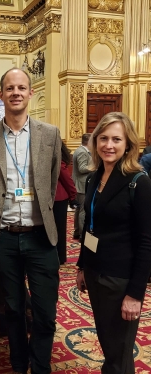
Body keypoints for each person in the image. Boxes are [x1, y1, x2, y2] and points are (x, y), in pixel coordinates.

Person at [0, 68, 61, 374]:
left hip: (40, 236)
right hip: (5, 237)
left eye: (21, 87)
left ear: (30, 93)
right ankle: (18, 364)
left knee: (45, 311)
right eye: (9, 88)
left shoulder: (50, 134)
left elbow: (50, 184)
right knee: (13, 308)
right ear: (1, 95)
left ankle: (39, 367)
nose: (15, 92)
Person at [76, 112, 151, 374]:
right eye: (104, 138)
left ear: (128, 144)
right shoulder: (94, 177)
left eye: (116, 139)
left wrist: (135, 295)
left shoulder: (138, 182)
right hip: (96, 273)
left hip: (120, 280)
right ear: (96, 142)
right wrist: (82, 267)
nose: (109, 145)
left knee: (119, 352)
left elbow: (147, 242)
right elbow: (89, 225)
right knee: (108, 343)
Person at [53, 142, 78, 265]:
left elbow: (66, 179)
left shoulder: (57, 159)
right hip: (54, 198)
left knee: (59, 229)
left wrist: (73, 195)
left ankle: (59, 256)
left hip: (58, 198)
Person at [72, 133, 92, 240]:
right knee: (83, 210)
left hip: (80, 185)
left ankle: (77, 232)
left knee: (79, 209)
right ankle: (81, 235)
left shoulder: (82, 151)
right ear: (88, 142)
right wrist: (95, 167)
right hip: (81, 186)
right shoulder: (82, 152)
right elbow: (82, 168)